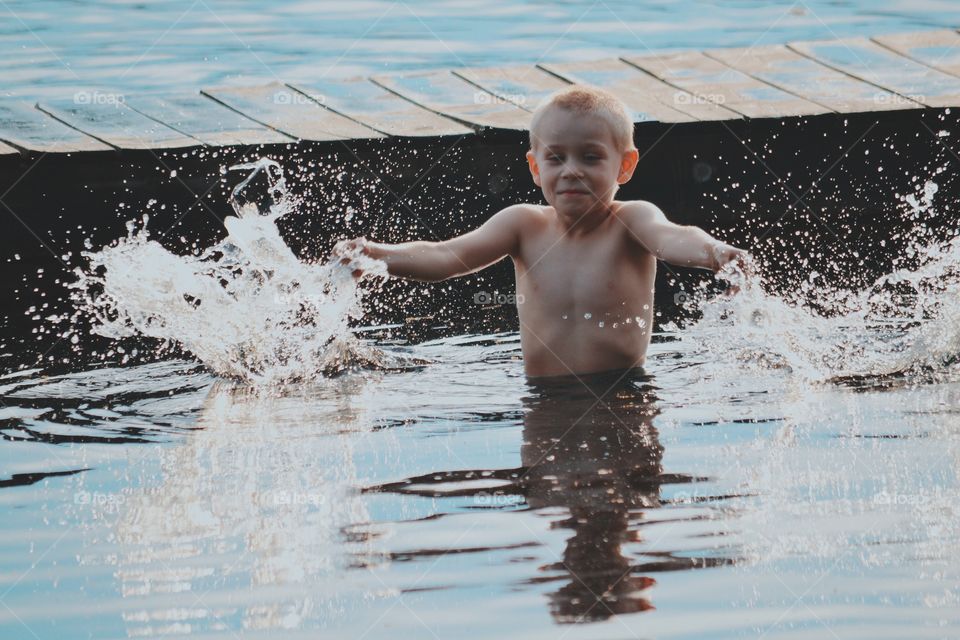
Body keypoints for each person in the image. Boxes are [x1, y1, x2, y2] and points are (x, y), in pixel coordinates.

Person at [333, 86, 749, 378]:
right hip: (541, 396)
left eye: (590, 157)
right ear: (535, 167)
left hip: (624, 393)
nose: (571, 170)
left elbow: (672, 237)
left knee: (625, 499)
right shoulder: (522, 224)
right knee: (547, 496)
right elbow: (446, 257)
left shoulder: (630, 220)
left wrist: (714, 251)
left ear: (624, 165)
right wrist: (376, 254)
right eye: (555, 158)